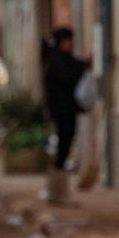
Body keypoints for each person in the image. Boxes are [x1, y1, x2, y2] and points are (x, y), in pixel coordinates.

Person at [41, 27, 89, 205]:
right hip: (63, 111)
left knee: (64, 147)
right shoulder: (57, 63)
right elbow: (69, 75)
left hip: (65, 110)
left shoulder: (61, 61)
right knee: (63, 148)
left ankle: (57, 191)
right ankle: (57, 193)